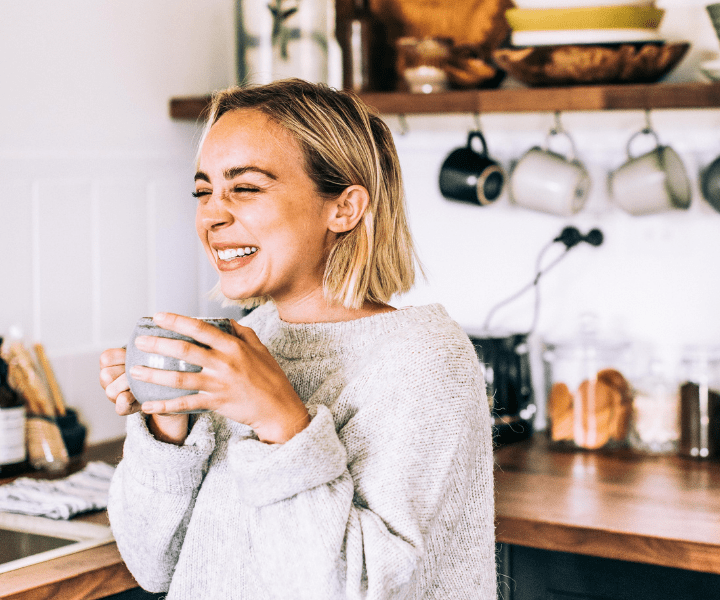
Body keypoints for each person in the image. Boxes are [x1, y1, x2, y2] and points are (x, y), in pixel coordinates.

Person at [99, 78, 496, 600]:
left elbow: (352, 590)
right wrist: (168, 425)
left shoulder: (425, 360)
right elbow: (155, 564)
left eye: (246, 188)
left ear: (344, 208)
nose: (212, 215)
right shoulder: (246, 342)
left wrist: (280, 422)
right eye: (203, 191)